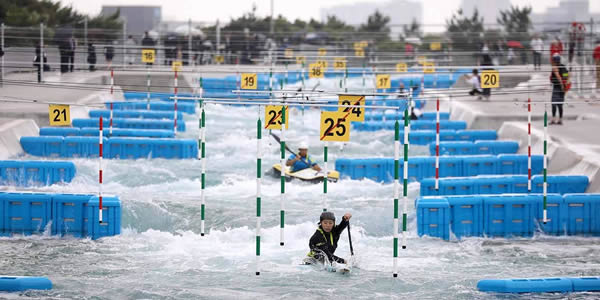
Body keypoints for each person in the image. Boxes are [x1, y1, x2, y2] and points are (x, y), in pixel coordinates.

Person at [550, 54, 569, 125]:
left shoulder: (558, 68)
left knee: (556, 104)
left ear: (555, 60)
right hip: (560, 88)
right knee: (558, 104)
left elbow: (564, 77)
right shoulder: (561, 67)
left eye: (553, 60)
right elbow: (566, 76)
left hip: (559, 88)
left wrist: (561, 83)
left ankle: (556, 119)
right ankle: (558, 119)